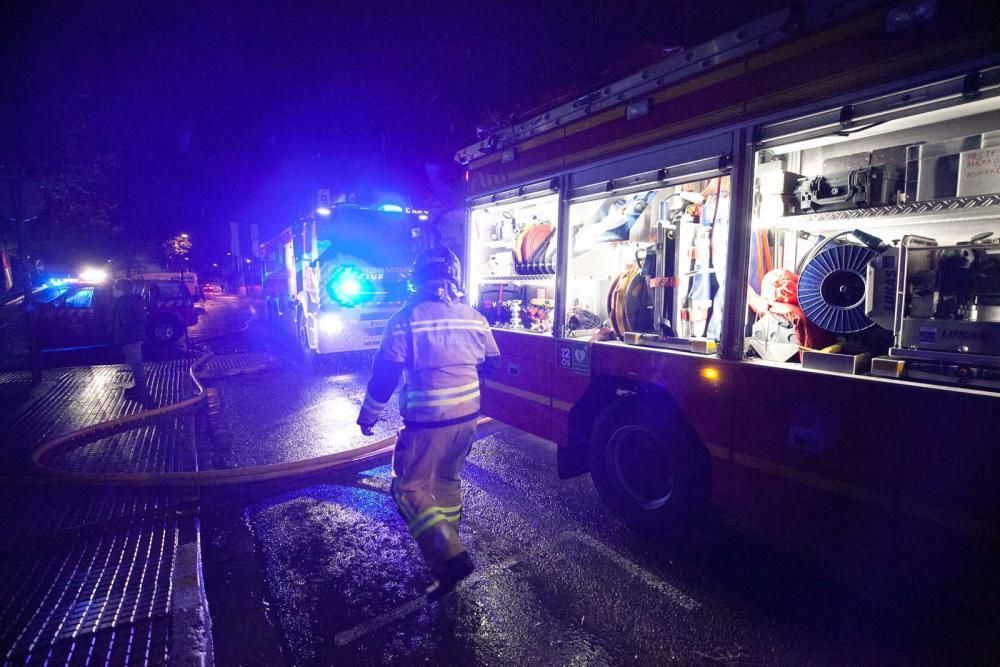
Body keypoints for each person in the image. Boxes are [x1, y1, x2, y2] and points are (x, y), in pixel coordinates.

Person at [357, 246, 500, 601]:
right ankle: (447, 543)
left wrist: (369, 414)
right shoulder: (473, 316)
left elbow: (385, 375)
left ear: (416, 279)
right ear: (454, 276)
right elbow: (493, 363)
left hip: (427, 424)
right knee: (447, 480)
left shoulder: (406, 319)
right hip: (468, 420)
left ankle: (451, 556)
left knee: (407, 488)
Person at [112, 279, 153, 408]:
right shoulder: (133, 300)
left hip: (130, 338)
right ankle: (139, 387)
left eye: (116, 287)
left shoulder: (127, 302)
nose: (114, 289)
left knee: (136, 364)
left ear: (122, 288)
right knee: (135, 364)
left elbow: (126, 322)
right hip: (133, 337)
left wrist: (123, 336)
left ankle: (142, 391)